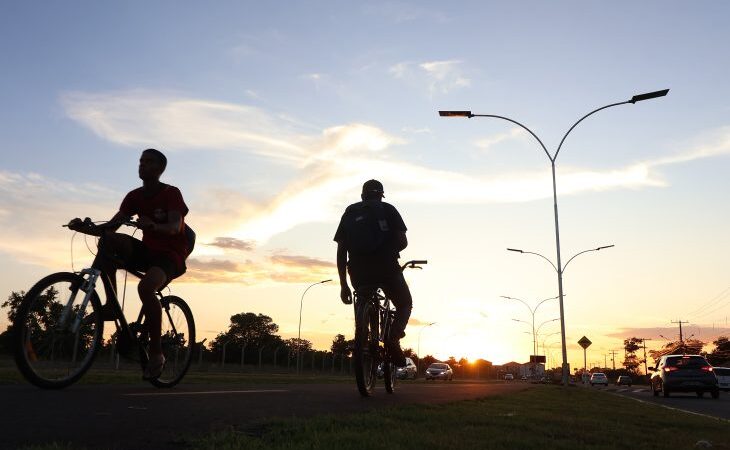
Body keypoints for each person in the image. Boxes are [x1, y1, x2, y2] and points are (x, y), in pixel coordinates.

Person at [68, 148, 189, 380]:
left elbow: (175, 227)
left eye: (149, 162)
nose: (142, 165)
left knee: (145, 288)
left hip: (171, 255)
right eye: (141, 161)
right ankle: (111, 306)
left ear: (160, 169)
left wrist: (152, 225)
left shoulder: (171, 193)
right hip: (148, 251)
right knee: (109, 241)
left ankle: (157, 353)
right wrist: (85, 228)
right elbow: (110, 227)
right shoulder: (133, 196)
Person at [334, 179, 412, 366]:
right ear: (381, 195)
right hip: (387, 268)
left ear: (362, 196)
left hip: (358, 272)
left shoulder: (350, 212)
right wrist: (389, 251)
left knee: (363, 298)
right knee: (404, 304)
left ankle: (363, 335)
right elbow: (403, 242)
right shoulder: (388, 209)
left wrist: (343, 285)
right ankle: (393, 339)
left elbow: (341, 251)